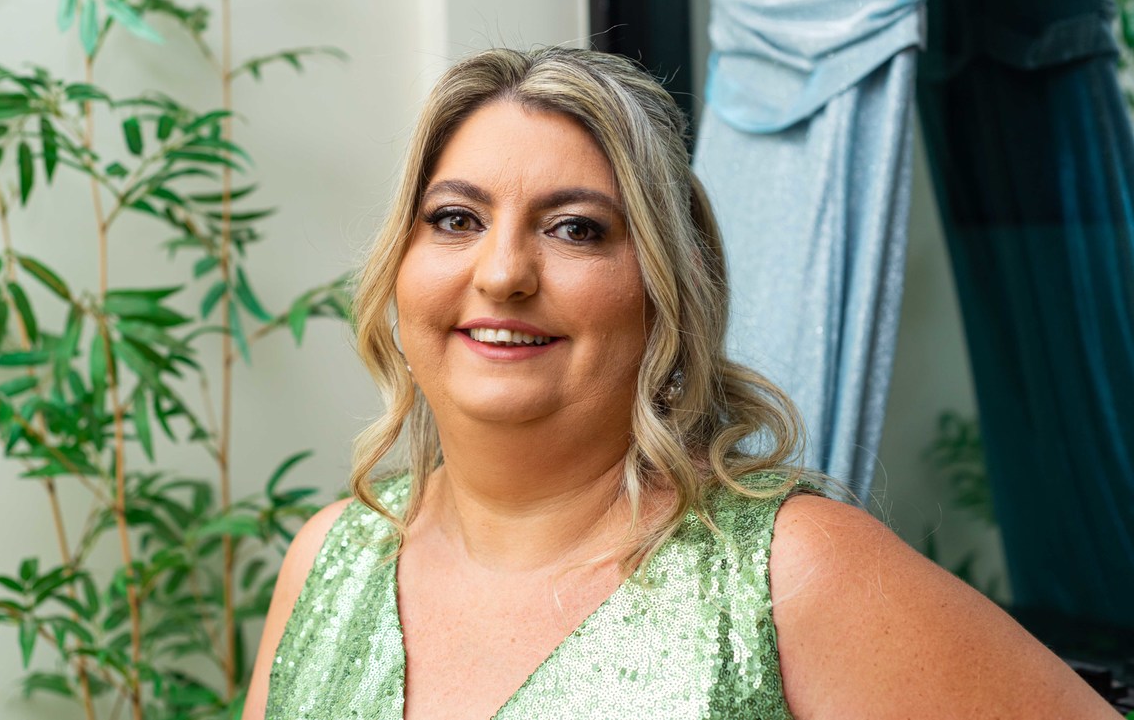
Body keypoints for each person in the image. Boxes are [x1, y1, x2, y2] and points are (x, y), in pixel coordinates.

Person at [242, 47, 1119, 719]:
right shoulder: (328, 561)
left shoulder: (792, 573)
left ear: (669, 282)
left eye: (575, 229)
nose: (503, 273)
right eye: (456, 218)